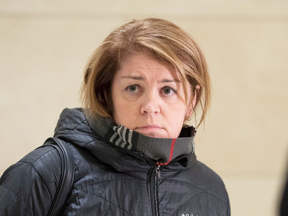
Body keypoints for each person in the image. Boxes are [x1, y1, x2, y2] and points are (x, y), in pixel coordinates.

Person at [0, 18, 230, 215]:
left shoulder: (211, 188)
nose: (150, 106)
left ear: (191, 100)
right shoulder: (46, 171)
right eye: (133, 88)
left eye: (167, 90)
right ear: (106, 95)